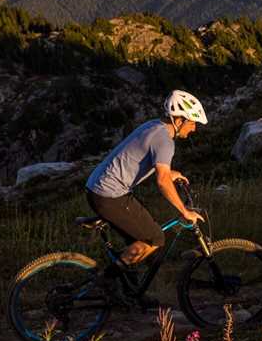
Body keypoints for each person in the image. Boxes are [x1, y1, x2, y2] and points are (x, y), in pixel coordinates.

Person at [85, 90, 208, 267]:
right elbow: (162, 181)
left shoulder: (154, 126)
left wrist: (169, 173)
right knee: (155, 238)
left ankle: (128, 292)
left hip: (96, 188)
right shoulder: (165, 141)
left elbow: (145, 160)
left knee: (137, 244)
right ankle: (107, 280)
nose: (194, 128)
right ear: (180, 120)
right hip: (109, 195)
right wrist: (184, 211)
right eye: (193, 123)